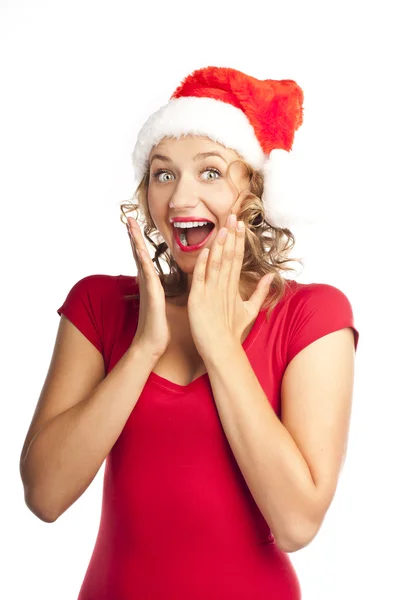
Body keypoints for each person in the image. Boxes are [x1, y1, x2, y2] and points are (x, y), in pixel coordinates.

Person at [19, 66, 360, 599]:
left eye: (210, 173)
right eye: (163, 173)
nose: (180, 200)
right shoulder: (100, 305)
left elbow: (297, 524)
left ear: (256, 192)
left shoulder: (311, 317)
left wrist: (221, 348)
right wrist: (144, 348)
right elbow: (44, 495)